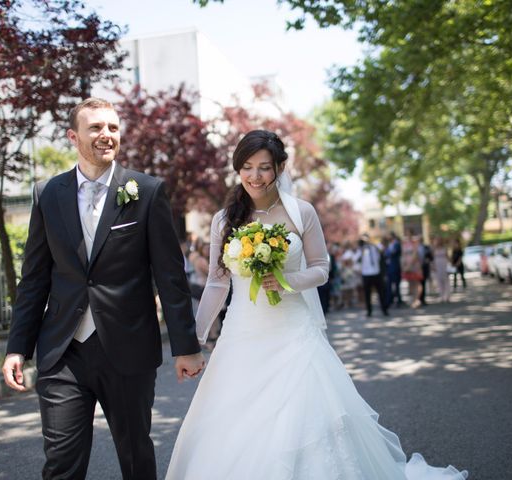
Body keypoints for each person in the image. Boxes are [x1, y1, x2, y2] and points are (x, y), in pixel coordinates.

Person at [166, 130, 467, 480]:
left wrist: (286, 281)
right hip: (242, 334)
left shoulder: (302, 213)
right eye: (246, 167)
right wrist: (194, 340)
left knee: (305, 418)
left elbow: (322, 268)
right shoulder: (224, 220)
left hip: (294, 332)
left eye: (264, 167)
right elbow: (218, 282)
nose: (255, 176)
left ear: (280, 167)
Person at [2, 98, 205, 480]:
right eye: (95, 127)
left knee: (135, 457)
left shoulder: (146, 190)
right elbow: (35, 278)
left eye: (112, 127)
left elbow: (170, 277)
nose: (105, 135)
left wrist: (186, 347)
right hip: (63, 349)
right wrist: (17, 347)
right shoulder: (47, 193)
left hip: (128, 347)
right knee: (61, 462)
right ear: (73, 137)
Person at [355, 233, 389, 317]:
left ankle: (384, 309)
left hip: (376, 273)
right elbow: (355, 259)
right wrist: (361, 249)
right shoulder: (361, 249)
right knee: (367, 294)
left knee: (381, 292)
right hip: (366, 274)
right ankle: (369, 311)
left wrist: (371, 243)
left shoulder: (375, 246)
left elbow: (382, 249)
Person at [401, 229, 424, 308]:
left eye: (409, 234)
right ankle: (413, 299)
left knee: (416, 282)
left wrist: (409, 265)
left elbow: (415, 254)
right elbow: (403, 255)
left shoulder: (415, 243)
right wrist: (404, 265)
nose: (408, 236)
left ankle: (417, 299)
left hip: (414, 265)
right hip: (407, 265)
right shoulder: (405, 244)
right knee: (410, 282)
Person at [387, 231, 404, 307]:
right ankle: (392, 299)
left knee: (396, 284)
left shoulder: (396, 244)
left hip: (395, 267)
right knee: (390, 284)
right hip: (390, 267)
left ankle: (398, 300)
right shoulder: (389, 244)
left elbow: (392, 253)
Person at [432, 236, 451, 303]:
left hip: (444, 265)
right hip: (437, 265)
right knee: (439, 281)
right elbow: (433, 258)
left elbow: (447, 257)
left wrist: (450, 265)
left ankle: (447, 296)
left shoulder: (444, 248)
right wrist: (433, 266)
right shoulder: (434, 249)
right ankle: (442, 296)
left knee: (446, 281)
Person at [419, 236, 433, 306]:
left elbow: (431, 257)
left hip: (424, 267)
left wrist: (428, 260)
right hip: (417, 268)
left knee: (423, 283)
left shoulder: (426, 247)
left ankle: (422, 299)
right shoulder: (415, 247)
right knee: (418, 284)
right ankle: (418, 298)